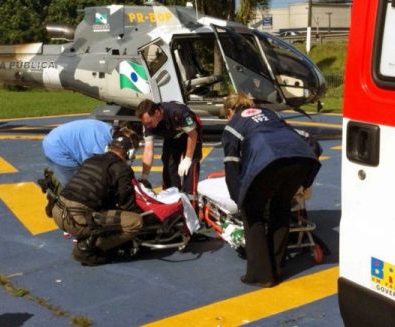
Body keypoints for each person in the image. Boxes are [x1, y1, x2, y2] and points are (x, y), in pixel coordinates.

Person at [221, 93, 321, 287]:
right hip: (300, 158)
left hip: (269, 161)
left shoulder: (233, 126)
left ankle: (261, 275)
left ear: (230, 111)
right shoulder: (270, 114)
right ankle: (277, 267)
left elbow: (231, 165)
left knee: (252, 213)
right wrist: (305, 182)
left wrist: (238, 198)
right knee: (280, 207)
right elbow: (306, 139)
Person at [50, 127, 143, 266]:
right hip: (77, 219)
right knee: (135, 222)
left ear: (108, 148)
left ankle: (88, 238)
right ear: (130, 153)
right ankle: (87, 248)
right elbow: (127, 205)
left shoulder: (90, 160)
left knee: (102, 213)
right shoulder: (122, 169)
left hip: (58, 212)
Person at [135, 99, 202, 194]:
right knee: (168, 163)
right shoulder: (147, 124)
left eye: (149, 122)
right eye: (145, 124)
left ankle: (190, 197)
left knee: (191, 166)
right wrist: (144, 176)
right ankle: (172, 194)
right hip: (172, 135)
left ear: (157, 113)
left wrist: (188, 158)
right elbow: (148, 149)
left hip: (191, 133)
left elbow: (193, 135)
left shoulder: (178, 112)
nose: (148, 126)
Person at [42, 119, 113, 186]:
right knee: (76, 185)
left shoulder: (108, 129)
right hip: (58, 148)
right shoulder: (102, 143)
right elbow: (99, 168)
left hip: (56, 139)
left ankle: (54, 179)